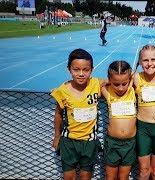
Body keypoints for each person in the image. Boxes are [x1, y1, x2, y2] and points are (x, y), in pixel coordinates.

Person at [51, 48, 102, 180]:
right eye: (76, 69)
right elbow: (58, 115)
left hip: (89, 142)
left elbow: (115, 81)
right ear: (69, 69)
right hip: (69, 142)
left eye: (86, 70)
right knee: (69, 177)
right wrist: (57, 136)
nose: (81, 74)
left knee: (86, 176)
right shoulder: (62, 91)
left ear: (92, 69)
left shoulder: (96, 84)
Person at [133, 45, 155, 180]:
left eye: (153, 59)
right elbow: (116, 81)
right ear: (140, 62)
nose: (149, 63)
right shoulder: (136, 77)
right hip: (143, 129)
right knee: (144, 171)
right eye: (145, 60)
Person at [101, 60, 137, 180]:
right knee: (110, 177)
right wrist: (108, 82)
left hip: (130, 143)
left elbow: (136, 76)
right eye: (116, 84)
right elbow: (98, 83)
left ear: (129, 80)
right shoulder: (108, 93)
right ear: (110, 80)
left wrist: (130, 79)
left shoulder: (132, 90)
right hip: (112, 143)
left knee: (124, 176)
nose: (121, 88)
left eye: (124, 83)